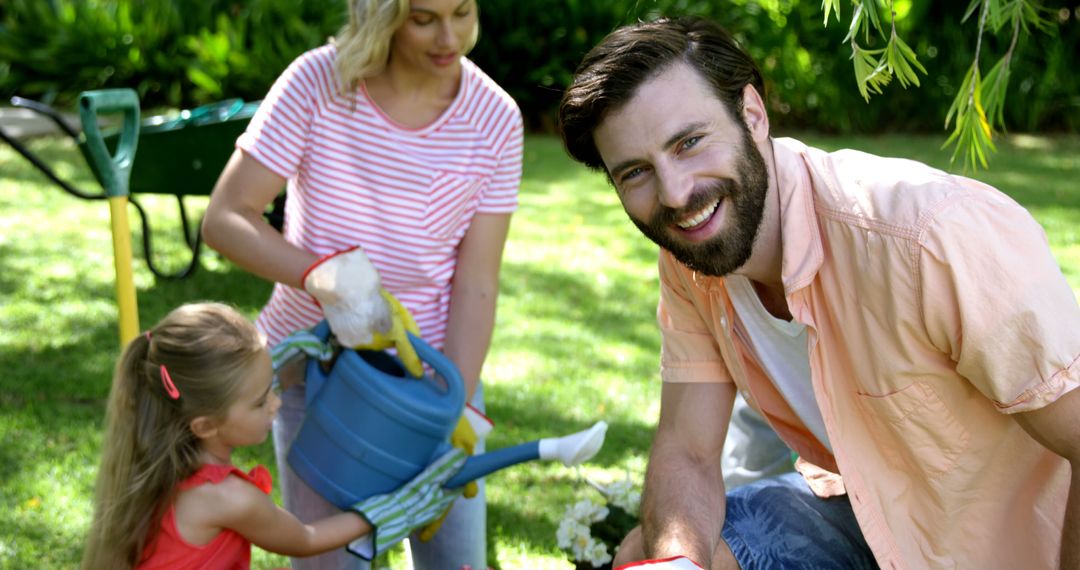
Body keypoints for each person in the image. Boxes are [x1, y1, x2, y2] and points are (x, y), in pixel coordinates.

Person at [558, 16, 1080, 570]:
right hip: (869, 520)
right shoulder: (692, 256)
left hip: (1018, 546)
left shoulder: (931, 236)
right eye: (636, 172)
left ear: (752, 114)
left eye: (689, 142)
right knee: (657, 554)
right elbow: (687, 451)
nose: (677, 193)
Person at [201, 0, 523, 567]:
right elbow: (226, 217)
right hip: (315, 373)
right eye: (424, 18)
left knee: (456, 561)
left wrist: (451, 410)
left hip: (432, 376)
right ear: (383, 16)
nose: (450, 37)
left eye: (463, 12)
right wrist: (321, 277)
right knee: (330, 560)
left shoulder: (495, 117)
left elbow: (477, 281)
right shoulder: (317, 83)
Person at [80, 302, 468, 570]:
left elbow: (245, 382)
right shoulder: (228, 498)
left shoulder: (160, 462)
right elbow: (305, 537)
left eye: (271, 388)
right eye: (259, 402)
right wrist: (397, 506)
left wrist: (293, 352)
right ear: (204, 425)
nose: (276, 406)